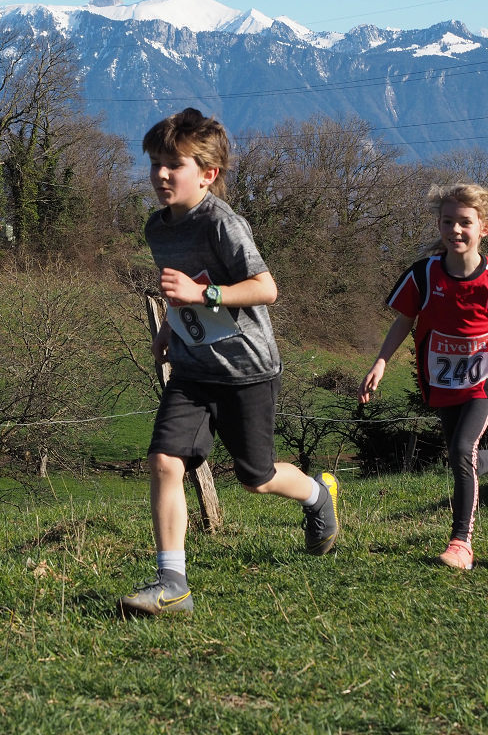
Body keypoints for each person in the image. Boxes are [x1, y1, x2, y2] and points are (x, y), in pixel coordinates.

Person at [118, 108, 339, 617]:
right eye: (155, 164)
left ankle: (317, 495)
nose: (161, 175)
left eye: (174, 165)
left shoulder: (223, 224)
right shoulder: (157, 229)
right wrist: (171, 327)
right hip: (193, 371)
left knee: (256, 477)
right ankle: (173, 585)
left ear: (208, 173)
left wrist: (204, 294)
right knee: (164, 461)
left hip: (247, 371)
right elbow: (179, 289)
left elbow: (266, 288)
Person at [357, 183, 488, 571]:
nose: (456, 230)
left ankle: (461, 544)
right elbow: (405, 319)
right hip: (441, 382)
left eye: (465, 222)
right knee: (461, 457)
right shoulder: (423, 274)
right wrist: (380, 363)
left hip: (484, 382)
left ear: (484, 228)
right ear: (438, 224)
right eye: (448, 221)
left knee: (462, 452)